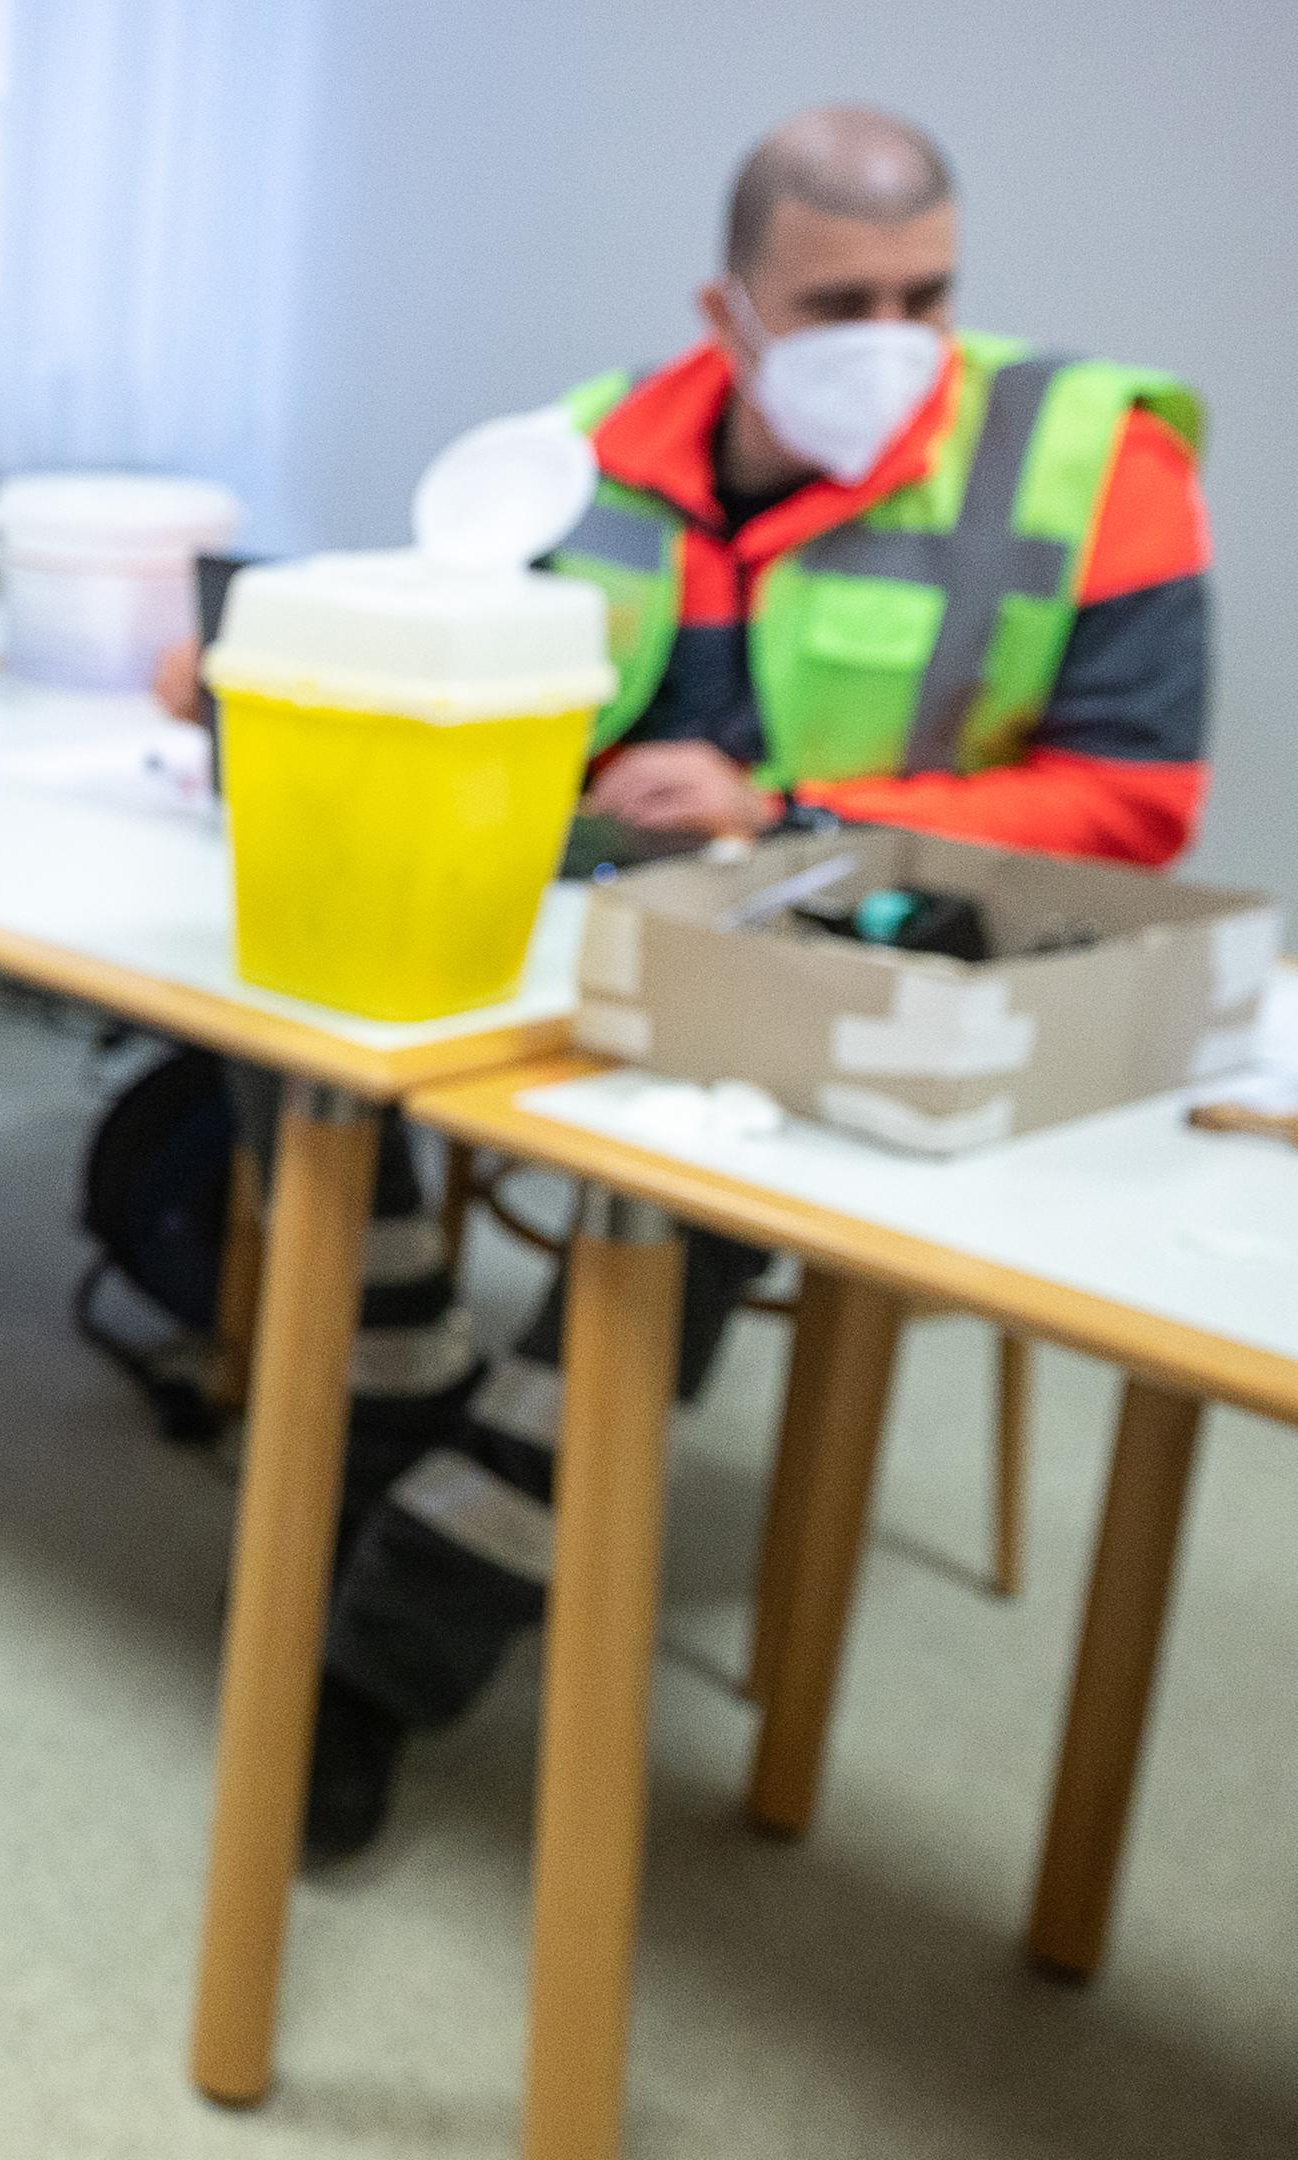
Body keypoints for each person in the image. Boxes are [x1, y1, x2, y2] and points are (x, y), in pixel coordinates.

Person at [285, 105, 1215, 1858]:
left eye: (925, 294)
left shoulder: (1098, 461)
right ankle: (406, 1387)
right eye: (840, 300)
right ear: (730, 314)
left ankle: (402, 1629)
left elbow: (1136, 803)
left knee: (693, 1166)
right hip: (572, 914)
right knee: (303, 1036)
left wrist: (790, 811)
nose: (895, 341)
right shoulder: (585, 449)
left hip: (842, 957)